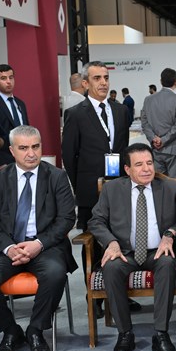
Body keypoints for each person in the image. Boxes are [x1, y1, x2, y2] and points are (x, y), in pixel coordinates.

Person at [0, 125, 77, 351]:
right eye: (24, 148)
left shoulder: (57, 176)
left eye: (35, 147)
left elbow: (67, 219)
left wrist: (38, 244)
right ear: (12, 150)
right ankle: (11, 330)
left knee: (55, 273)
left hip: (45, 246)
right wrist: (9, 248)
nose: (31, 153)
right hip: (8, 247)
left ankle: (35, 330)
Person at [87, 143, 176, 351]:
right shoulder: (112, 189)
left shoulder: (169, 188)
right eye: (139, 164)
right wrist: (111, 242)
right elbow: (96, 221)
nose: (146, 169)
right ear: (127, 169)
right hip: (125, 252)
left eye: (149, 163)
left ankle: (161, 334)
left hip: (157, 251)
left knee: (168, 264)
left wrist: (170, 234)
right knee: (111, 267)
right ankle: (125, 333)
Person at [62, 61, 130, 230]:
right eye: (97, 78)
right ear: (85, 83)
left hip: (119, 188)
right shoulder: (75, 114)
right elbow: (69, 156)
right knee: (92, 239)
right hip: (89, 192)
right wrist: (80, 186)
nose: (103, 82)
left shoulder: (121, 111)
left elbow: (124, 147)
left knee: (120, 235)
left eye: (106, 78)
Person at [140, 68, 176, 178]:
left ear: (161, 81)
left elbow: (144, 123)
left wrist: (154, 139)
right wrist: (163, 140)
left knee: (158, 184)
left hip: (157, 149)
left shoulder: (148, 99)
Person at [0, 64, 29, 168]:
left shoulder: (20, 103)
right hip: (3, 160)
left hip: (24, 158)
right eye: (3, 78)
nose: (8, 81)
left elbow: (26, 130)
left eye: (11, 77)